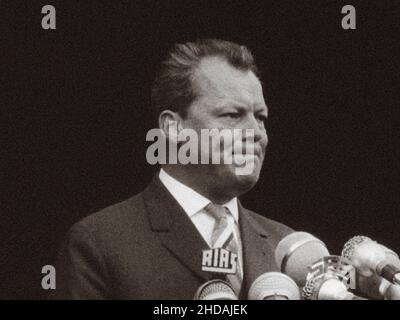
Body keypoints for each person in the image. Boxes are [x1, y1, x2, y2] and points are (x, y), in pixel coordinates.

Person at [50, 39, 294, 299]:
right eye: (233, 115)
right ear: (173, 127)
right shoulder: (97, 243)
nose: (256, 133)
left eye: (261, 118)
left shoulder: (289, 247)